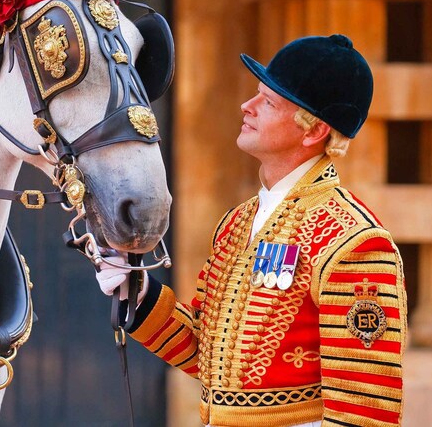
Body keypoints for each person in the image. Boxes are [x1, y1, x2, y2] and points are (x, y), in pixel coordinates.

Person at [96, 35, 406, 427]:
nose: (248, 106)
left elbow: (364, 411)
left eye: (269, 102)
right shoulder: (237, 222)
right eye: (257, 94)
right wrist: (139, 293)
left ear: (313, 131)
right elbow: (207, 357)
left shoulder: (354, 242)